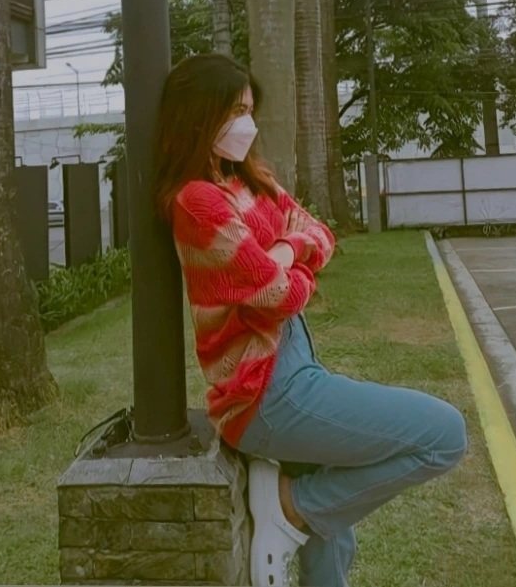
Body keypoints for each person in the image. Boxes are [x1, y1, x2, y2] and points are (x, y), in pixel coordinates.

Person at [155, 53, 468, 587]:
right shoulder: (197, 203)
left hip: (293, 367)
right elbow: (281, 294)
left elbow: (319, 232)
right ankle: (293, 506)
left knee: (336, 536)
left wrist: (285, 249)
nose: (247, 124)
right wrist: (293, 264)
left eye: (250, 110)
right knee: (444, 435)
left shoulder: (252, 181)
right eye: (236, 111)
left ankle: (304, 513)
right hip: (263, 393)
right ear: (200, 116)